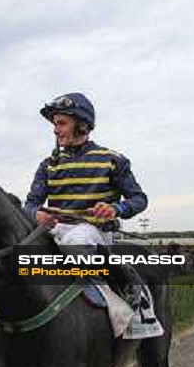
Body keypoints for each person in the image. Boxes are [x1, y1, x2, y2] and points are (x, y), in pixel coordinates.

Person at [24, 92, 151, 311]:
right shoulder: (47, 165)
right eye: (55, 124)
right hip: (56, 231)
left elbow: (139, 199)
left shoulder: (112, 160)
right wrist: (37, 215)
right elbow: (30, 205)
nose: (55, 129)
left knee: (76, 241)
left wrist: (115, 209)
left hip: (93, 233)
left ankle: (124, 280)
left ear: (82, 126)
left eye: (62, 123)